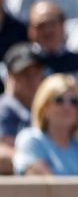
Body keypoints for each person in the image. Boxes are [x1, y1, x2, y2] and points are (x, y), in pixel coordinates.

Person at [13, 74, 78, 178]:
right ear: (44, 107)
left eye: (74, 101)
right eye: (59, 100)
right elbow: (47, 186)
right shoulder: (31, 140)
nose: (67, 107)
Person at [0, 43, 43, 174]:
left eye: (36, 73)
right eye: (25, 74)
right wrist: (31, 162)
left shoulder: (48, 106)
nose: (32, 79)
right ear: (10, 77)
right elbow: (2, 151)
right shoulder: (5, 107)